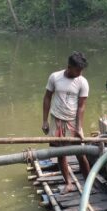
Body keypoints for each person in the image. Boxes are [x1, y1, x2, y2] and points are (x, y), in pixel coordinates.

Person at [42, 52, 91, 194]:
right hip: (56, 119)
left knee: (80, 153)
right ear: (69, 67)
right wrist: (45, 121)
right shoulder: (55, 77)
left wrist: (79, 127)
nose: (80, 73)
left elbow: (81, 106)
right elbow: (47, 98)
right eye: (77, 70)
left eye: (81, 70)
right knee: (60, 153)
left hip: (72, 121)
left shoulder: (82, 82)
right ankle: (68, 183)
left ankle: (88, 182)